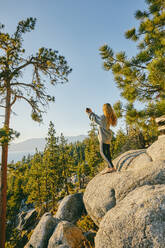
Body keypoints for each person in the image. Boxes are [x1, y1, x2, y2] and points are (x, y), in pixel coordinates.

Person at [86, 103, 117, 174]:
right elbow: (98, 118)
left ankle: (112, 167)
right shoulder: (109, 117)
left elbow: (95, 119)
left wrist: (89, 113)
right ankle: (109, 167)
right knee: (108, 153)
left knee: (102, 152)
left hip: (103, 137)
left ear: (104, 109)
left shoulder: (104, 117)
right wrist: (92, 112)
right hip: (108, 137)